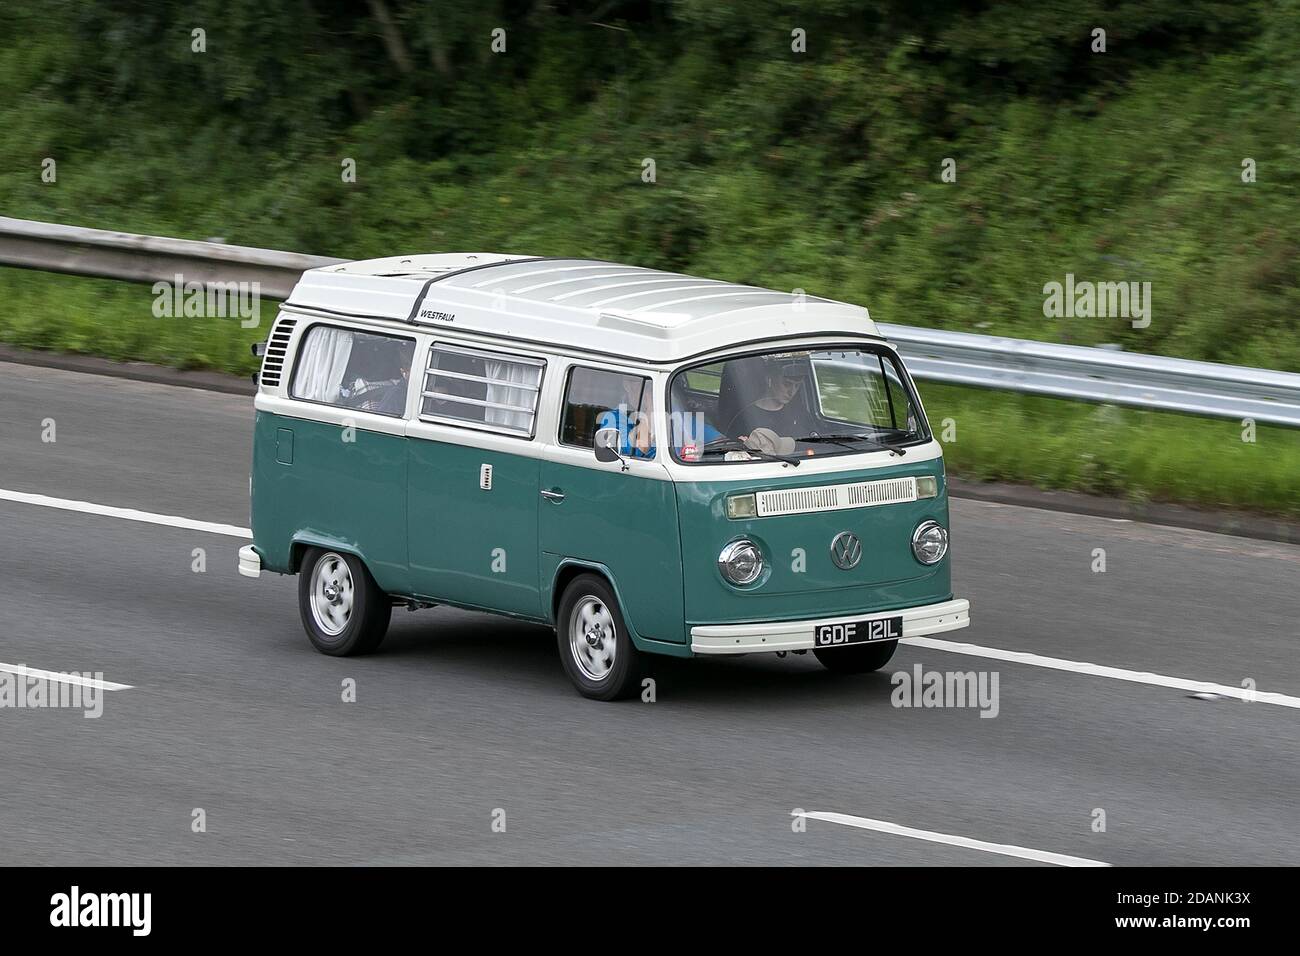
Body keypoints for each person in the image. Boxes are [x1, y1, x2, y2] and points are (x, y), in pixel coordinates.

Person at [730, 358, 808, 439]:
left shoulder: (798, 412)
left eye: (797, 386)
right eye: (787, 384)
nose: (792, 392)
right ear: (769, 379)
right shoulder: (746, 417)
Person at [597, 375, 655, 458]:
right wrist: (650, 410)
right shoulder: (613, 419)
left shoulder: (668, 416)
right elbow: (634, 455)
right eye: (647, 385)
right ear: (627, 385)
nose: (650, 392)